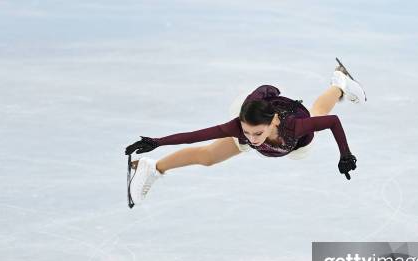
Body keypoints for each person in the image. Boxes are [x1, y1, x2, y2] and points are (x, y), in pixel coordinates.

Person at [125, 61, 367, 206]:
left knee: (318, 112)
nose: (252, 139)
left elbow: (333, 121)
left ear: (273, 122)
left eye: (257, 133)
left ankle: (340, 82)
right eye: (247, 133)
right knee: (208, 156)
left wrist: (345, 154)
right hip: (255, 117)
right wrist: (158, 141)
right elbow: (196, 135)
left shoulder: (295, 127)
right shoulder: (243, 129)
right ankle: (151, 168)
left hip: (297, 144)